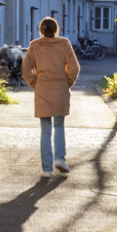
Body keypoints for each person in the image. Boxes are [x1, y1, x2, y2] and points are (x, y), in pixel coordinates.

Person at [22, 17, 80, 178]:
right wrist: (67, 82)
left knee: (45, 131)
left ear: (41, 30)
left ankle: (47, 169)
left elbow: (26, 70)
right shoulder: (64, 44)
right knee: (59, 126)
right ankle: (60, 158)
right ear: (56, 29)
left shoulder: (34, 46)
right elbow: (74, 67)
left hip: (42, 89)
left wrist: (35, 84)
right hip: (60, 88)